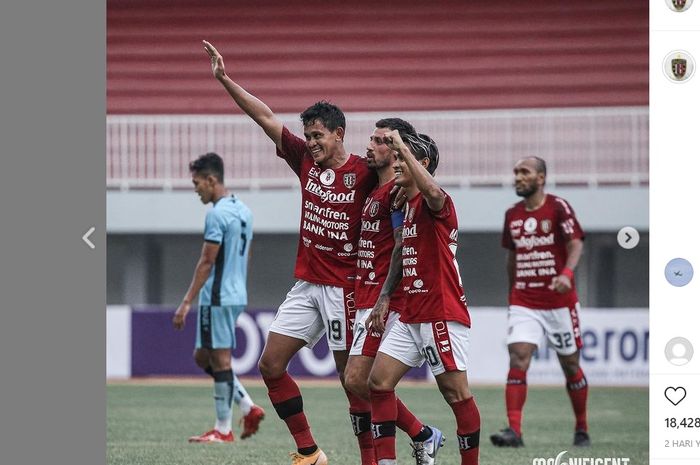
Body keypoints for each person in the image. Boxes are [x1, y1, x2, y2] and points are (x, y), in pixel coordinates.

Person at [203, 41, 376, 465]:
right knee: (270, 364)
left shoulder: (367, 172)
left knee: (351, 382)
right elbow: (263, 116)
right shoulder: (305, 161)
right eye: (309, 135)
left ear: (340, 134)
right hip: (307, 285)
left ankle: (392, 448)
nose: (312, 142)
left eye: (319, 135)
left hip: (343, 290)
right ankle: (309, 452)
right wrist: (226, 79)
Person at [367, 131, 481, 465]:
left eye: (403, 158)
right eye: (398, 157)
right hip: (412, 315)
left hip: (440, 313)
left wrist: (401, 143)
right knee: (378, 382)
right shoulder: (408, 206)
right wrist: (386, 296)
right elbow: (402, 254)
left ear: (422, 164)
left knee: (456, 393)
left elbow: (432, 191)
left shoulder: (436, 202)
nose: (397, 163)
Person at [344, 119, 443, 465]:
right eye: (370, 139)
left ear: (398, 149)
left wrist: (385, 297)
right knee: (361, 384)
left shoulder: (398, 194)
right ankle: (420, 436)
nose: (370, 146)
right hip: (365, 296)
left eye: (380, 141)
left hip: (385, 300)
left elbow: (401, 244)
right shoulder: (376, 188)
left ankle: (420, 435)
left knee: (360, 380)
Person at [489, 156, 589, 448]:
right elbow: (512, 256)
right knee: (519, 356)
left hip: (559, 302)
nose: (518, 177)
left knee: (570, 365)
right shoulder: (512, 214)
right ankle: (514, 431)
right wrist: (512, 295)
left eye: (525, 172)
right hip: (525, 300)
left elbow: (576, 243)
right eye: (516, 172)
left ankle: (581, 427)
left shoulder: (558, 207)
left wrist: (567, 274)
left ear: (541, 178)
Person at [172, 152, 265, 443]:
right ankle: (248, 406)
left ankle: (222, 429)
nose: (196, 188)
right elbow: (247, 252)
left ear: (212, 180)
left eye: (197, 182)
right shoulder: (244, 210)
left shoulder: (216, 214)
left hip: (216, 296)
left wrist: (187, 301)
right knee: (203, 357)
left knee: (221, 361)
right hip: (236, 294)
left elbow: (207, 261)